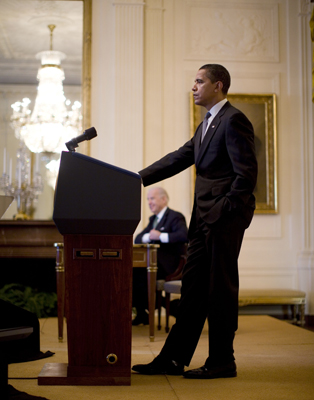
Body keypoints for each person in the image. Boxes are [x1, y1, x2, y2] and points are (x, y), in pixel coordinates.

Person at [132, 64, 257, 379]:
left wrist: (225, 208)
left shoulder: (233, 120)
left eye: (199, 81)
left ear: (218, 85)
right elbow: (178, 158)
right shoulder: (205, 125)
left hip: (223, 219)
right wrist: (134, 179)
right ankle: (172, 359)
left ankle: (222, 361)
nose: (194, 86)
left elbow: (247, 175)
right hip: (202, 222)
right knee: (192, 291)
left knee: (220, 289)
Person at [132, 187, 188, 325]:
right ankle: (145, 311)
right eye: (148, 199)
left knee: (138, 275)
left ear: (163, 199)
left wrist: (160, 236)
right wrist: (148, 236)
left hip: (169, 266)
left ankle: (148, 309)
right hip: (154, 265)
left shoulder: (175, 216)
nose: (149, 202)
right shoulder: (153, 219)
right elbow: (138, 239)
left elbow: (183, 236)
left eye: (152, 198)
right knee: (132, 273)